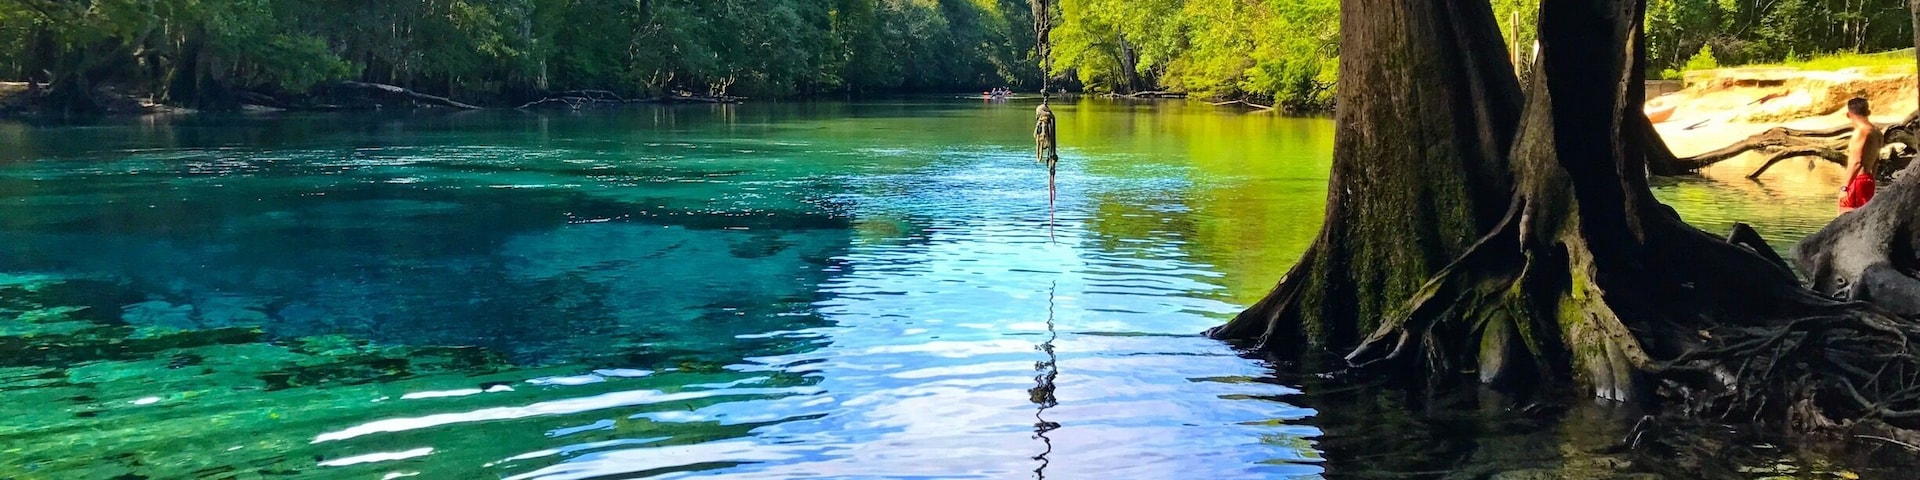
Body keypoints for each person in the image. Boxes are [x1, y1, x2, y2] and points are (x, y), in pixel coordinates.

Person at [1839, 97, 1882, 213]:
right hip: (1869, 179)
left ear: (1849, 114)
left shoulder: (1862, 132)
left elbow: (1856, 161)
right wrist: (1872, 179)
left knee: (1844, 216)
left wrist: (1844, 187)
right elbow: (1877, 160)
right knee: (1863, 217)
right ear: (1868, 112)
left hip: (1857, 180)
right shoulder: (1877, 132)